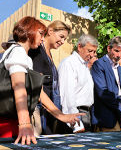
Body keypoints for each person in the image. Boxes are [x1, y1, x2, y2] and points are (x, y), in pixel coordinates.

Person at [0, 16, 83, 145]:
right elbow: (19, 87)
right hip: (9, 124)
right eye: (40, 33)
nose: (42, 38)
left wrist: (62, 116)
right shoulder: (18, 52)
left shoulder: (19, 53)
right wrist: (25, 123)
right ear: (29, 31)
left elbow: (37, 91)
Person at [28, 20, 71, 135]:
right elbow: (36, 87)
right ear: (50, 31)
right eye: (61, 37)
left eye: (65, 39)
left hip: (48, 112)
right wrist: (59, 114)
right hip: (37, 111)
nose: (62, 42)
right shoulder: (36, 51)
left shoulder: (49, 54)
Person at [91, 36, 121, 132]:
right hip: (106, 117)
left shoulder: (119, 69)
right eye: (117, 51)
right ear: (109, 48)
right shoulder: (99, 64)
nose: (119, 55)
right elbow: (103, 92)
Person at [58, 34, 98, 133]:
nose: (92, 55)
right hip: (76, 115)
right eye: (90, 51)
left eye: (94, 52)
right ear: (79, 47)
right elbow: (67, 96)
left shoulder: (84, 65)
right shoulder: (69, 63)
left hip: (86, 114)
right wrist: (76, 125)